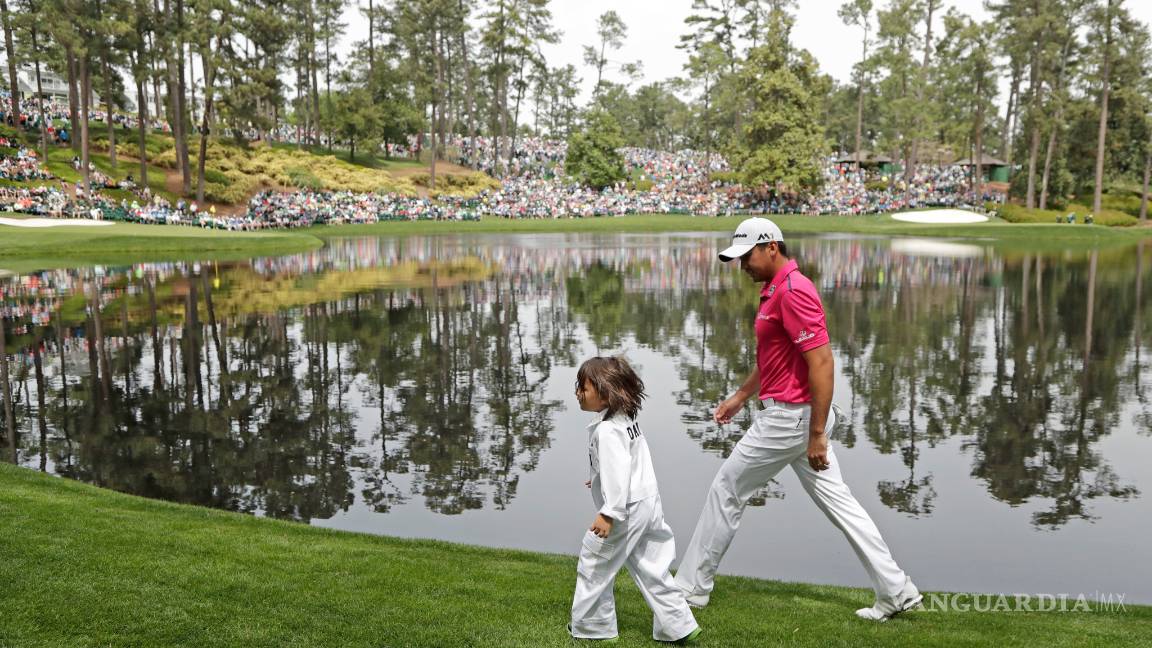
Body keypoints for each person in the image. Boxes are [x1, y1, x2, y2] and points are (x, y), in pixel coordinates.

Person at [674, 217, 922, 622]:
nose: (743, 267)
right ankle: (896, 590)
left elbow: (821, 362)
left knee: (727, 489)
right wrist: (741, 395)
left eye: (747, 257)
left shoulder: (792, 292)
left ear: (772, 246)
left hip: (789, 420)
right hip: (794, 419)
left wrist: (818, 434)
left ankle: (690, 590)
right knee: (841, 505)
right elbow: (776, 358)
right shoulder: (775, 291)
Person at [569, 356, 702, 644]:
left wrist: (609, 513)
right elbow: (626, 463)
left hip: (625, 510)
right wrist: (600, 478)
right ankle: (677, 626)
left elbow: (618, 470)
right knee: (651, 565)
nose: (578, 392)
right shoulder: (625, 420)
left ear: (606, 392)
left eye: (583, 387)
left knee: (595, 562)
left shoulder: (607, 431)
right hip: (647, 503)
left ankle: (594, 628)